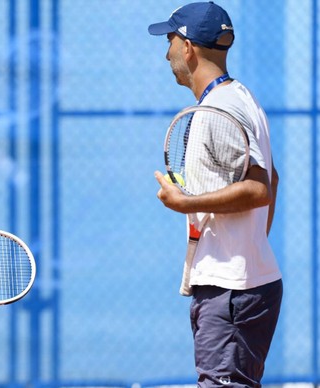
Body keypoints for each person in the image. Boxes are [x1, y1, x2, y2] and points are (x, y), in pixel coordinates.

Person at [149, 2, 282, 386]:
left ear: (188, 47)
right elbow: (272, 177)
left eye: (170, 40)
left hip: (231, 292)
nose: (166, 51)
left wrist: (183, 203)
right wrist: (250, 245)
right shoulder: (241, 97)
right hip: (240, 285)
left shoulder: (217, 109)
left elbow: (260, 188)